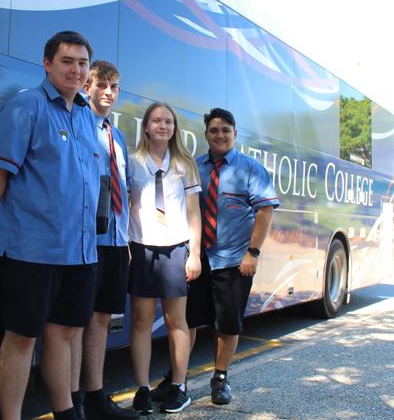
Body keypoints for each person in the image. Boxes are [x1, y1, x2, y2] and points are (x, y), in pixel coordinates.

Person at [0, 31, 100, 420]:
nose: (76, 69)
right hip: (32, 249)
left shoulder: (86, 115)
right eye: (67, 61)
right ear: (47, 64)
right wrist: (6, 227)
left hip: (79, 251)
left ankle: (65, 412)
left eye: (82, 63)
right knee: (21, 339)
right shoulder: (27, 106)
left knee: (62, 335)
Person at [152, 107, 278, 405]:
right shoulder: (195, 167)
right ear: (206, 134)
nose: (219, 135)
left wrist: (253, 253)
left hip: (235, 261)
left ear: (235, 134)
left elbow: (265, 211)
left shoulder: (250, 168)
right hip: (197, 259)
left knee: (227, 324)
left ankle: (220, 378)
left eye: (225, 130)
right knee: (188, 321)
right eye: (214, 130)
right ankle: (176, 378)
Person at [69, 61, 139, 419]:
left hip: (114, 239)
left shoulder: (118, 136)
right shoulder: (76, 125)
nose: (108, 92)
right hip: (84, 241)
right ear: (87, 86)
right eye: (101, 85)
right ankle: (72, 401)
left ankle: (95, 396)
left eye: (114, 86)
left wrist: (125, 238)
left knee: (101, 318)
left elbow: (122, 190)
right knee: (76, 319)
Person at [127, 102, 202, 414]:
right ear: (145, 126)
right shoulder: (131, 162)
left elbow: (194, 212)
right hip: (141, 247)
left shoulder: (184, 163)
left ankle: (179, 386)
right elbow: (123, 207)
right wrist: (127, 248)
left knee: (176, 321)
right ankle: (143, 388)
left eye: (168, 121)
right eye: (156, 120)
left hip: (175, 249)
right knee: (142, 321)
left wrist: (194, 254)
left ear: (175, 128)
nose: (163, 126)